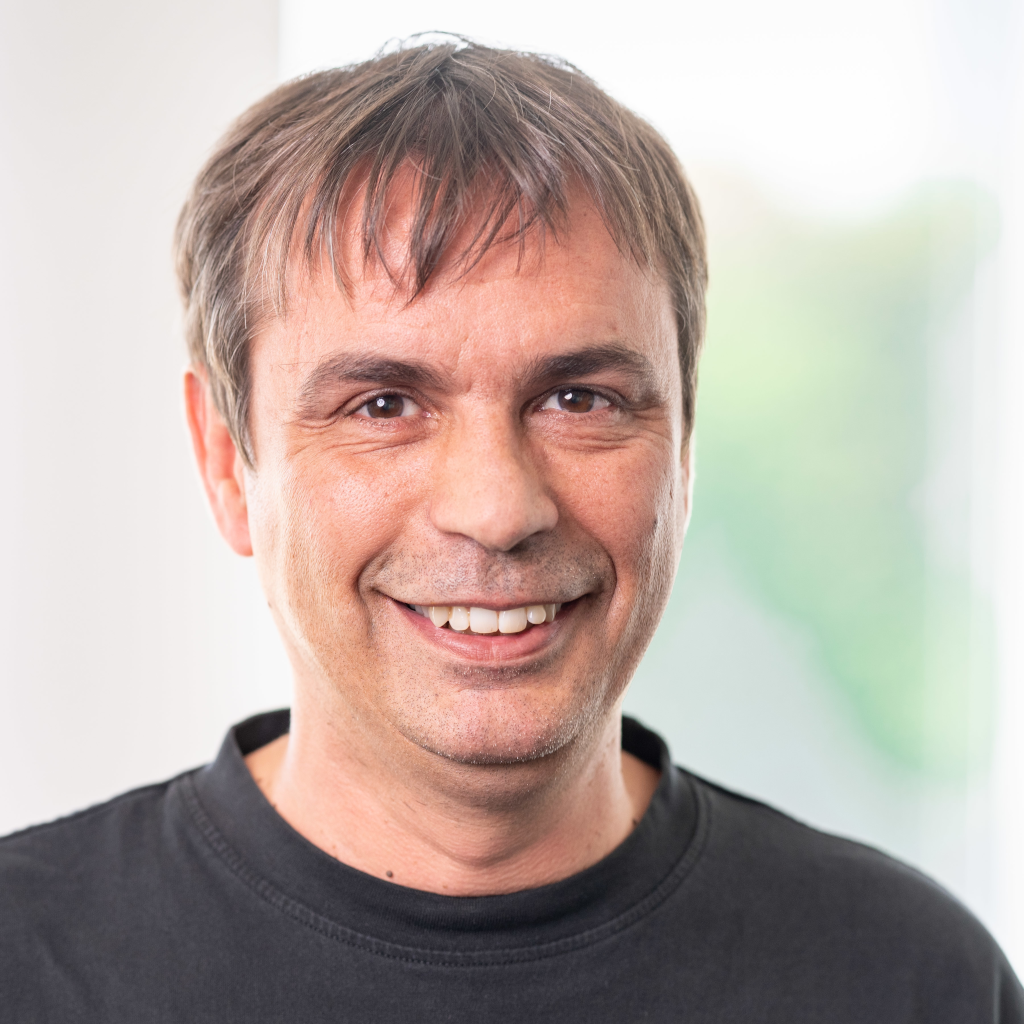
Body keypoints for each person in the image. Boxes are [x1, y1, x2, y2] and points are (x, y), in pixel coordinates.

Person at [0, 39, 1020, 1023]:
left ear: (683, 446)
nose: (496, 510)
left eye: (579, 399)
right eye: (383, 405)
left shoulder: (912, 982)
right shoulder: (25, 964)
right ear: (228, 462)